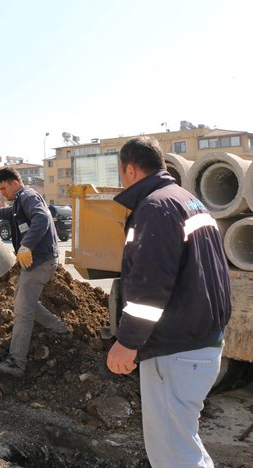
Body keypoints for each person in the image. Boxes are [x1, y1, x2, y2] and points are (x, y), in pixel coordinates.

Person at [106, 136, 231, 467]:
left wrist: (127, 342)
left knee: (172, 455)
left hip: (175, 352)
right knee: (184, 444)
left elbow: (149, 287)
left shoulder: (155, 208)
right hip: (200, 343)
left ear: (130, 169)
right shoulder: (188, 200)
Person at [0, 167, 68, 377]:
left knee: (22, 312)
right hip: (36, 262)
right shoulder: (19, 201)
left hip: (40, 262)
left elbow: (42, 219)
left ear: (15, 183)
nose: (2, 193)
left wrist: (26, 246)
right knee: (23, 301)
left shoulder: (28, 195)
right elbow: (10, 213)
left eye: (3, 188)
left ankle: (17, 363)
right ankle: (60, 329)